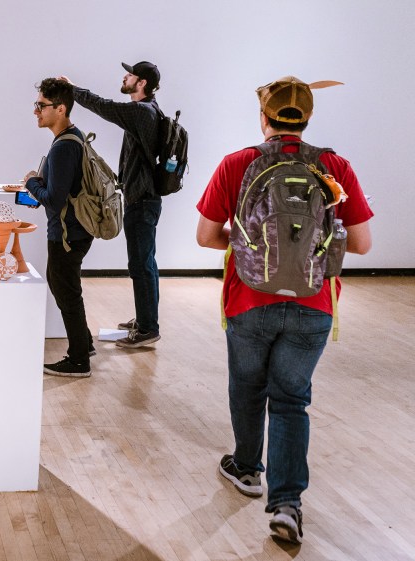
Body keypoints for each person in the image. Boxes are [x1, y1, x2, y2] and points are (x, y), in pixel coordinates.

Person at [195, 76, 373, 545]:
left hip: (248, 300)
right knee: (293, 399)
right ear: (308, 118)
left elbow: (206, 236)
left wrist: (252, 245)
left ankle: (248, 469)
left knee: (248, 387)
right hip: (315, 304)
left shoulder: (238, 164)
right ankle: (288, 504)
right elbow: (361, 244)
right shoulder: (334, 166)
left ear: (264, 118)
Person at [64, 62, 164, 348]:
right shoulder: (148, 111)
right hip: (143, 198)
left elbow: (103, 106)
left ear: (141, 83)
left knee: (141, 265)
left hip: (142, 200)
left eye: (130, 74)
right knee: (146, 263)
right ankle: (146, 320)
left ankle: (147, 328)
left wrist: (73, 90)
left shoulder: (141, 112)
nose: (125, 76)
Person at [22, 78, 93, 377]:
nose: (36, 111)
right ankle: (84, 343)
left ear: (60, 109)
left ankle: (78, 361)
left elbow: (53, 199)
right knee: (66, 288)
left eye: (41, 106)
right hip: (75, 231)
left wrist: (31, 183)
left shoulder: (64, 147)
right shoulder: (72, 137)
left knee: (66, 292)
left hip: (66, 235)